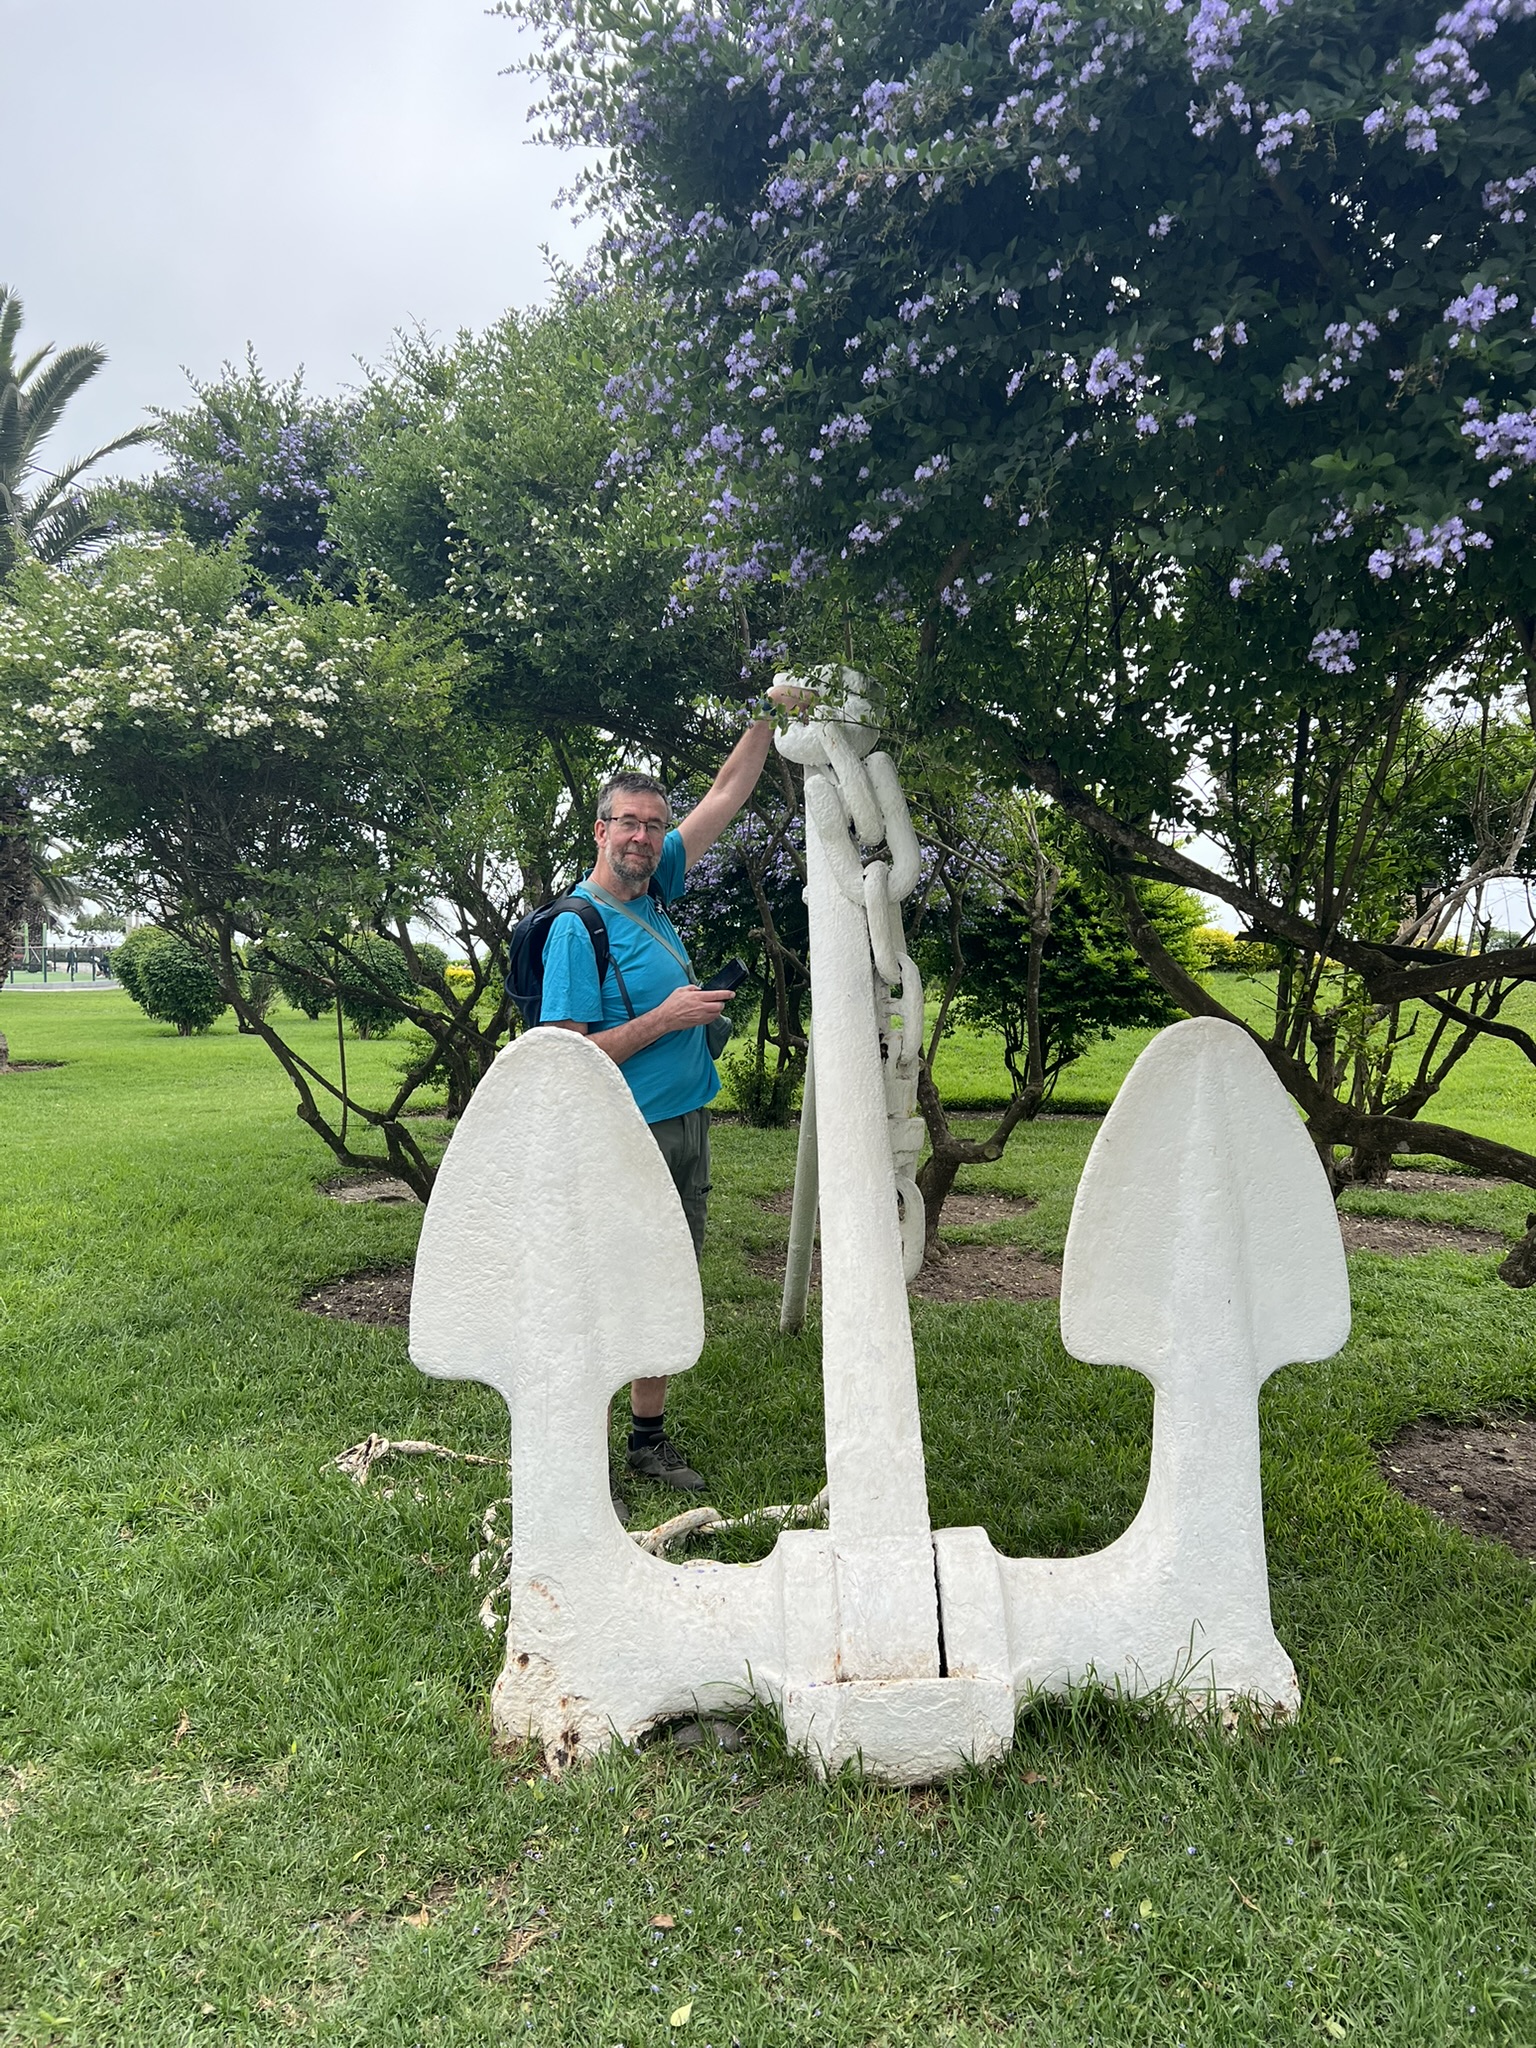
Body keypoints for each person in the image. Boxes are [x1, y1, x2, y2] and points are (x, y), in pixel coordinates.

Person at [540, 711, 792, 1500]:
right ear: (599, 830)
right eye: (629, 823)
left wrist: (768, 716)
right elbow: (564, 1056)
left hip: (687, 1128)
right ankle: (581, 1457)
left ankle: (647, 1442)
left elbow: (725, 792)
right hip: (623, 1138)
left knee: (666, 1286)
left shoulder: (656, 892)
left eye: (653, 824)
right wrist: (666, 1019)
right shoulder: (578, 930)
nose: (644, 837)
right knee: (610, 1290)